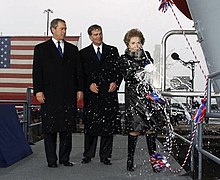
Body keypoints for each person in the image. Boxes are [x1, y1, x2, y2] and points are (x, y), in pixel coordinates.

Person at [32, 18, 83, 168]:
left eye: (65, 28)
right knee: (50, 129)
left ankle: (64, 159)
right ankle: (52, 160)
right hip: (49, 95)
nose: (64, 31)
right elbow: (37, 72)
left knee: (66, 128)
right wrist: (38, 90)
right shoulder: (41, 49)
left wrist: (80, 89)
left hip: (68, 95)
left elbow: (78, 72)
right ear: (53, 29)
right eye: (62, 28)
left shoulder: (72, 49)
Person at [119, 28, 165, 172]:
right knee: (134, 130)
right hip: (133, 98)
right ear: (128, 44)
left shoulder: (147, 56)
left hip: (147, 96)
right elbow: (128, 76)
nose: (136, 45)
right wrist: (143, 70)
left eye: (138, 42)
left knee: (151, 130)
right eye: (133, 42)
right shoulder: (124, 58)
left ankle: (155, 162)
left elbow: (152, 73)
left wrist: (150, 67)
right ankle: (130, 160)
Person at [80, 24, 122, 165]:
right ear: (90, 37)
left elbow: (119, 70)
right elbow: (81, 75)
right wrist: (88, 85)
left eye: (100, 33)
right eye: (95, 35)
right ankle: (88, 155)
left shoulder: (112, 50)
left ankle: (105, 156)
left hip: (108, 95)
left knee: (107, 127)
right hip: (92, 96)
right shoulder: (83, 53)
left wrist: (115, 82)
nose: (99, 36)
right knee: (91, 127)